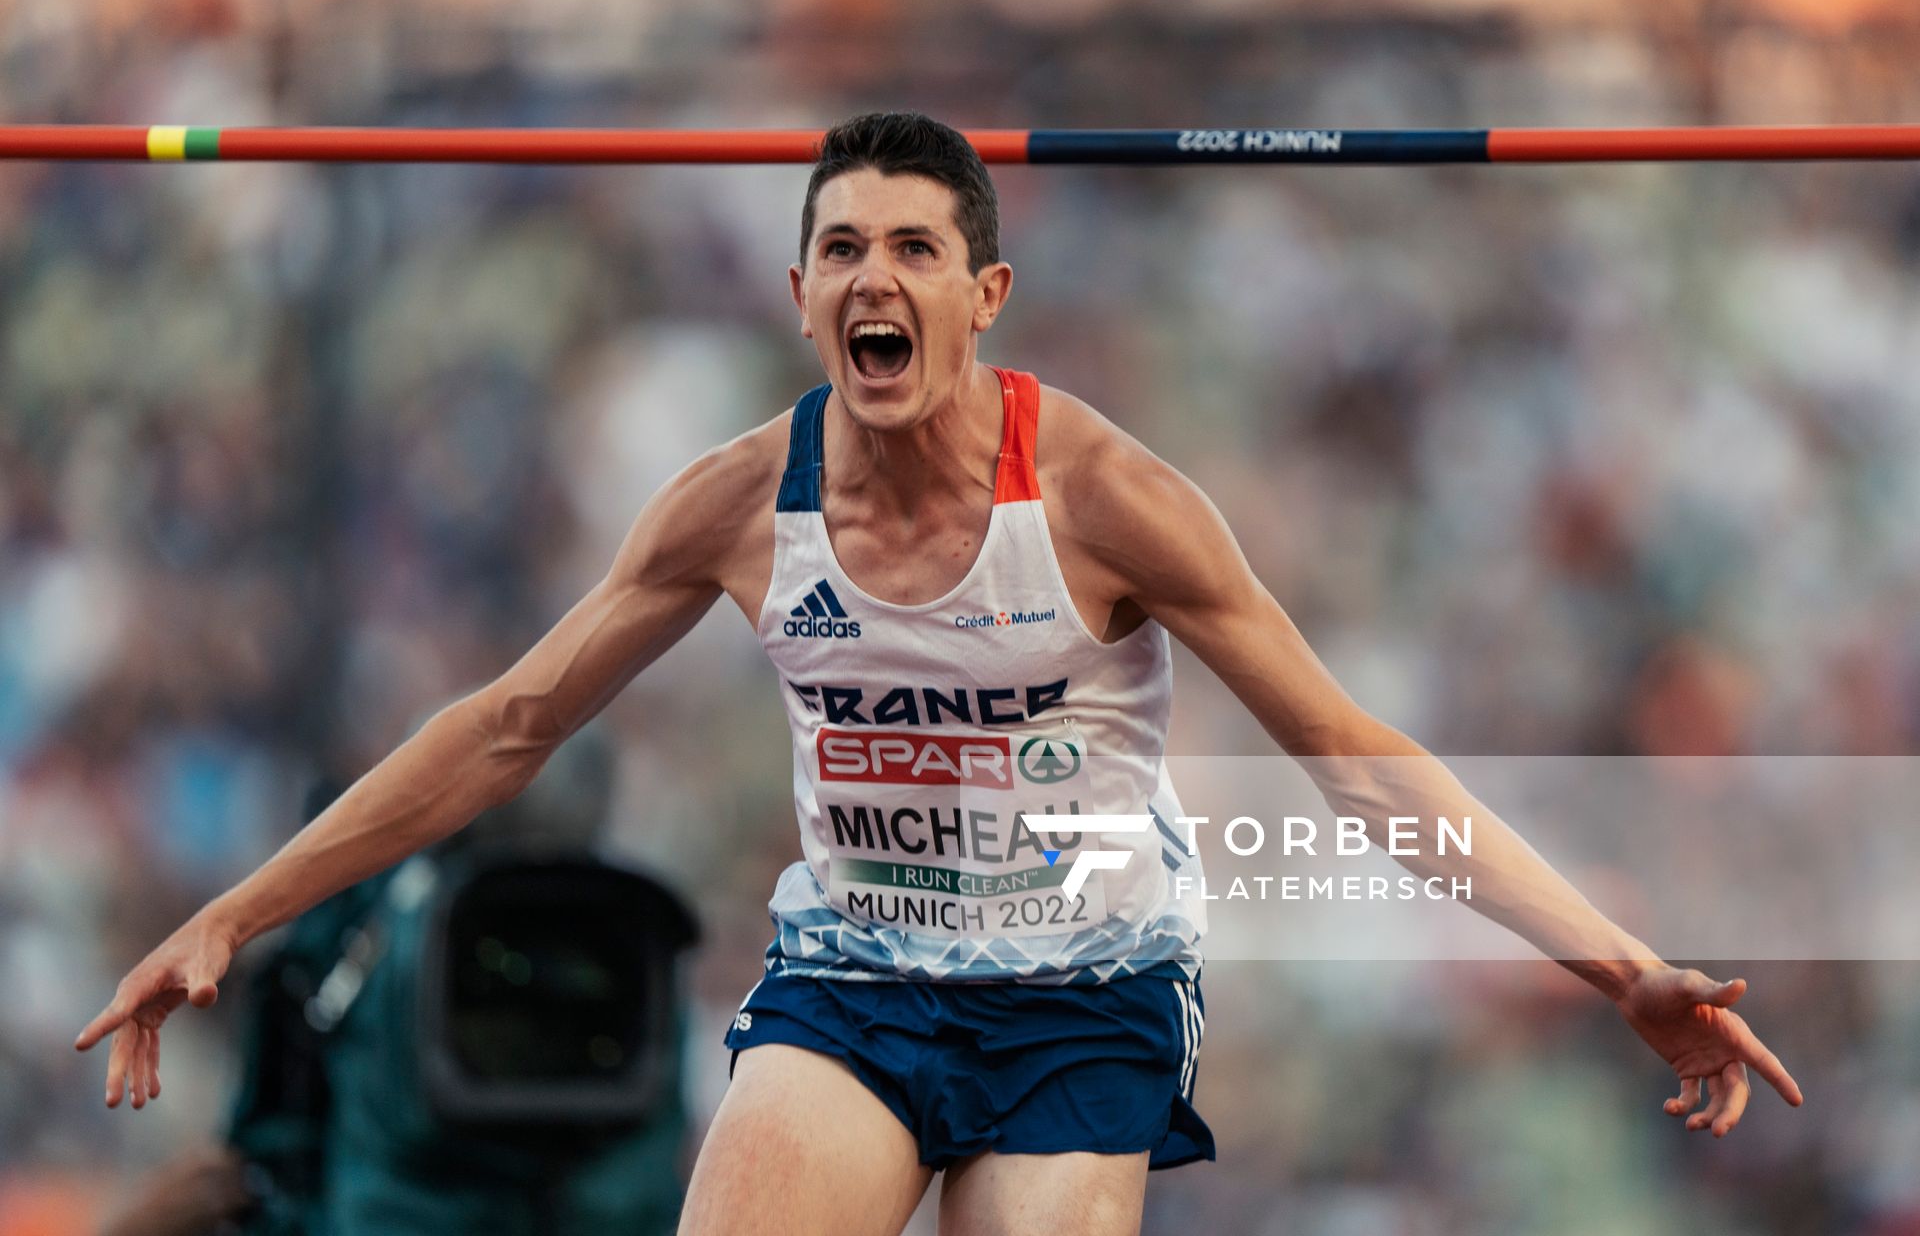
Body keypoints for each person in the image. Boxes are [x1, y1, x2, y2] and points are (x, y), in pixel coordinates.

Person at [78, 112, 1802, 1236]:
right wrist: (239, 912)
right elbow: (508, 727)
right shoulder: (744, 503)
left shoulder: (1115, 503)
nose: (874, 279)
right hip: (858, 979)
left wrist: (1617, 964)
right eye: (842, 250)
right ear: (801, 296)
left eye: (913, 250)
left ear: (982, 296)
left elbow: (1353, 755)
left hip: (1082, 996)